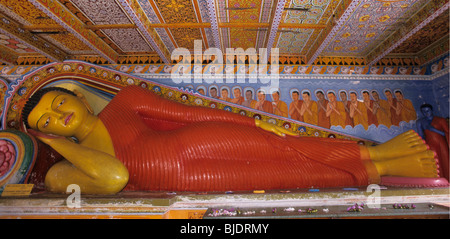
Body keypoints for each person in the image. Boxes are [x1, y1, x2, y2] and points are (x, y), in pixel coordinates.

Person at [22, 85, 438, 194]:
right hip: (189, 181)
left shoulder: (125, 102)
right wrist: (55, 144)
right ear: (49, 134)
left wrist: (256, 125)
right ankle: (376, 171)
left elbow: (190, 114)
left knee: (284, 147)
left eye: (57, 103)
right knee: (289, 177)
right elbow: (113, 177)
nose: (60, 116)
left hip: (199, 141)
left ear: (74, 94)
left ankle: (380, 155)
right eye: (49, 122)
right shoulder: (74, 164)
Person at [416, 104, 449, 180]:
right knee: (435, 162)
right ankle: (439, 180)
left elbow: (447, 133)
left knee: (445, 161)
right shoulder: (420, 122)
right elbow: (421, 136)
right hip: (430, 144)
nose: (426, 113)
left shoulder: (441, 120)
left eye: (428, 111)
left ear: (432, 110)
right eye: (423, 111)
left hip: (442, 144)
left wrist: (434, 130)